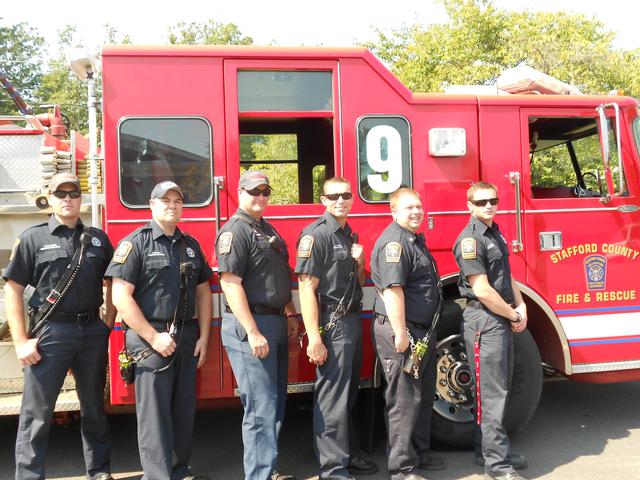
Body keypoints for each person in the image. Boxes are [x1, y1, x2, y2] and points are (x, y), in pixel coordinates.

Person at [4, 172, 115, 480]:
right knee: (37, 413)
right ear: (49, 198)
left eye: (73, 193)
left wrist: (107, 322)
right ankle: (29, 476)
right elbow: (13, 289)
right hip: (51, 332)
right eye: (60, 193)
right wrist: (22, 341)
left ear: (81, 198)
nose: (67, 198)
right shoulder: (32, 238)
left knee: (94, 408)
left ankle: (100, 471)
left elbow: (112, 282)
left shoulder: (97, 238)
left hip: (91, 330)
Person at [107, 180, 212, 480]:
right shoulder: (135, 243)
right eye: (165, 200)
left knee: (182, 411)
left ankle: (179, 471)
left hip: (186, 336)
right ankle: (157, 476)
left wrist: (204, 336)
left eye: (178, 200)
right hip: (148, 339)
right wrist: (153, 337)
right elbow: (120, 297)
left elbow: (204, 291)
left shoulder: (191, 246)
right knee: (154, 417)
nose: (172, 205)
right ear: (152, 205)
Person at [216, 170, 299, 480]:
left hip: (274, 321)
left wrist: (289, 313)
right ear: (239, 192)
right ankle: (259, 476)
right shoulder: (234, 232)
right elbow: (230, 283)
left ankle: (269, 470)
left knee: (274, 405)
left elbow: (278, 276)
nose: (260, 196)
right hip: (252, 325)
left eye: (265, 191)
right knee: (260, 409)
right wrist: (252, 332)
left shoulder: (265, 229)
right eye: (254, 191)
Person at [295, 177, 378, 480]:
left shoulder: (347, 234)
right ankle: (332, 470)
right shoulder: (315, 236)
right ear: (323, 200)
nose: (340, 201)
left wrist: (362, 261)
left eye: (345, 195)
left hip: (351, 319)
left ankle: (344, 454)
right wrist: (315, 337)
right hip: (333, 323)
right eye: (334, 196)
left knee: (348, 394)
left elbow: (355, 279)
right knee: (332, 397)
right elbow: (306, 288)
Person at [453, 181, 528, 480]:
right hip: (485, 321)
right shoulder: (470, 240)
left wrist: (521, 306)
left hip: (500, 318)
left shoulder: (494, 233)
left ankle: (485, 451)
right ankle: (498, 466)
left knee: (498, 390)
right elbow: (482, 289)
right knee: (491, 394)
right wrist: (511, 313)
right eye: (481, 202)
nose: (488, 206)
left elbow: (507, 278)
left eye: (492, 200)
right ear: (469, 206)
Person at [370, 188, 445, 480]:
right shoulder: (395, 243)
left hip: (421, 333)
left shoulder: (414, 240)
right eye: (409, 207)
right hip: (404, 333)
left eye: (419, 206)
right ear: (394, 211)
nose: (416, 212)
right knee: (404, 401)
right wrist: (401, 334)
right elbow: (393, 291)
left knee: (423, 396)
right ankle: (402, 469)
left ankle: (419, 454)